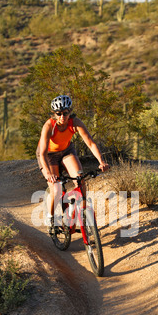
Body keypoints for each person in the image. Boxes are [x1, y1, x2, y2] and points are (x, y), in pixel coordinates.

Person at [37, 95, 109, 228]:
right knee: (56, 188)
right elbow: (42, 153)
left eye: (65, 113)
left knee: (80, 179)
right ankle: (51, 217)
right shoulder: (49, 126)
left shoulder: (75, 122)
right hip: (49, 155)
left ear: (70, 112)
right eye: (58, 113)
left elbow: (90, 143)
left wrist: (101, 161)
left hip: (66, 151)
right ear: (54, 114)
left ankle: (81, 211)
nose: (62, 116)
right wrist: (48, 174)